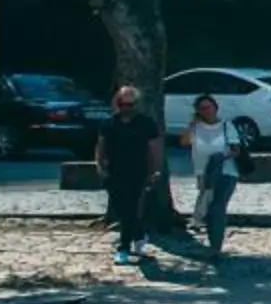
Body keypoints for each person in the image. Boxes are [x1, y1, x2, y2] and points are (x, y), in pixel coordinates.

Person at [95, 85, 165, 267]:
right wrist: (100, 165)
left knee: (130, 207)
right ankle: (139, 234)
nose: (126, 107)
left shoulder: (146, 123)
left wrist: (156, 169)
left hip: (137, 171)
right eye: (122, 103)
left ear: (136, 104)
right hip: (113, 171)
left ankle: (123, 248)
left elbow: (155, 149)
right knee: (120, 208)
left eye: (130, 104)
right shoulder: (109, 123)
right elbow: (101, 146)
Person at [179, 93, 239, 258]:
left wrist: (220, 158)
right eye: (202, 109)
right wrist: (192, 125)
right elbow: (184, 142)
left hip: (226, 172)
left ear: (215, 108)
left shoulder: (227, 126)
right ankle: (212, 240)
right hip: (204, 174)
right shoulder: (196, 127)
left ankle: (215, 246)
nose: (206, 111)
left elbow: (236, 150)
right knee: (207, 206)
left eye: (208, 107)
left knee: (217, 207)